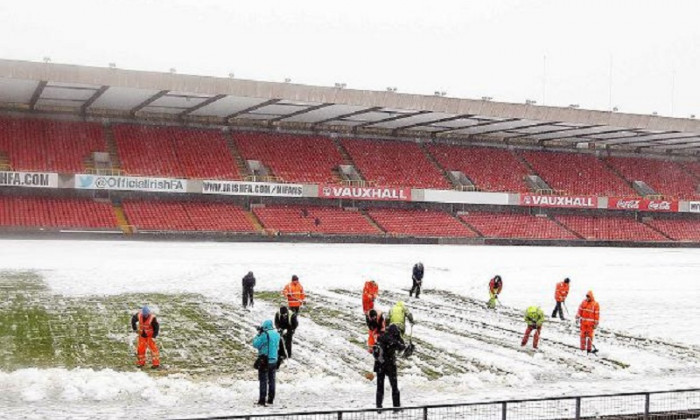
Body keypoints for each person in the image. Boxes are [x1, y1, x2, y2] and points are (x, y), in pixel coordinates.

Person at [373, 324, 406, 411]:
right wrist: (399, 337)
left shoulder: (382, 337)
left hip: (379, 364)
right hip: (389, 365)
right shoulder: (393, 340)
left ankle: (378, 407)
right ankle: (396, 406)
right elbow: (402, 347)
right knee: (394, 386)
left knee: (380, 387)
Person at [253, 320, 281, 406]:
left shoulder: (264, 334)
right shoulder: (277, 334)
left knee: (263, 380)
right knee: (272, 380)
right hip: (274, 360)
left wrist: (258, 334)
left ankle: (262, 400)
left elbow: (255, 344)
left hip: (265, 360)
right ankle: (270, 399)